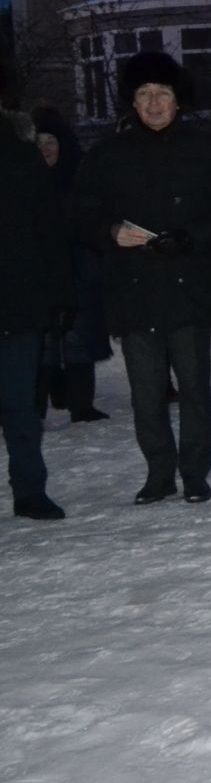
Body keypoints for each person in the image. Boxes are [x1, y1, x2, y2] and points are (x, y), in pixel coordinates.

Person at [70, 52, 211, 504]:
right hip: (134, 291)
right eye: (145, 95)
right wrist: (111, 232)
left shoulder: (205, 148)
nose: (154, 103)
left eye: (163, 94)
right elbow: (79, 212)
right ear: (132, 102)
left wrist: (192, 238)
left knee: (194, 390)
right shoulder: (107, 155)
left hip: (189, 286)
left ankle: (194, 473)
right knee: (146, 395)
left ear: (177, 100)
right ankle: (158, 473)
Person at [2, 115, 68, 519]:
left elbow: (50, 228)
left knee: (19, 406)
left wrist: (59, 294)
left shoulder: (21, 157)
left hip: (16, 303)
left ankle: (29, 489)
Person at [31, 108, 111, 423]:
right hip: (40, 270)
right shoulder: (24, 180)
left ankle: (81, 403)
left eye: (51, 141)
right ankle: (42, 401)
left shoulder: (78, 178)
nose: (46, 148)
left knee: (81, 336)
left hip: (79, 267)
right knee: (42, 341)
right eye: (40, 142)